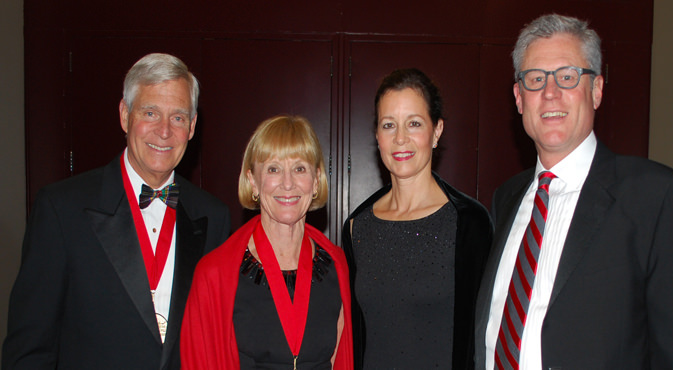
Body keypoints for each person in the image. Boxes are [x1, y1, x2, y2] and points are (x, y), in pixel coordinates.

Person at [474, 14, 673, 369]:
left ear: (596, 90)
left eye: (567, 76)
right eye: (535, 79)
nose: (550, 93)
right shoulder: (505, 198)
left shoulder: (656, 198)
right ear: (519, 98)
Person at [1, 53, 231, 370]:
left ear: (192, 127)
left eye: (178, 118)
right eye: (150, 113)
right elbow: (29, 351)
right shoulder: (61, 209)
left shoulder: (214, 216)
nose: (164, 131)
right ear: (125, 115)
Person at [342, 68, 493, 369]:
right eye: (389, 125)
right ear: (377, 136)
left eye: (414, 123)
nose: (400, 138)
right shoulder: (358, 227)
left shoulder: (469, 223)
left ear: (437, 131)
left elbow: (484, 336)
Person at [180, 115, 353, 369]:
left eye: (299, 168)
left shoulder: (337, 266)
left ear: (316, 181)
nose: (287, 183)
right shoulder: (214, 274)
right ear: (253, 181)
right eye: (273, 169)